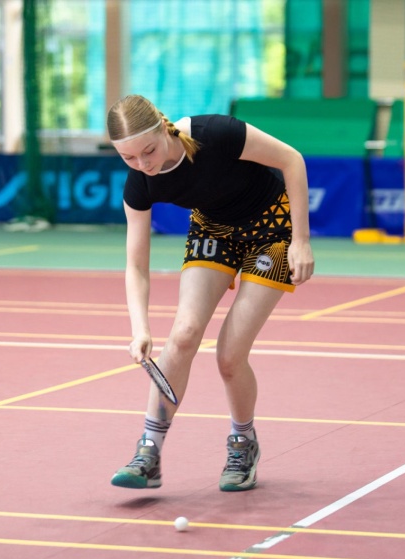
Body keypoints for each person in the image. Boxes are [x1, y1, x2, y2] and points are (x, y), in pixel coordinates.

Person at [107, 95, 314, 492]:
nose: (143, 164)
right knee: (183, 334)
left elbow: (292, 160)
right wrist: (140, 328)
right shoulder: (140, 183)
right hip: (213, 230)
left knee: (230, 355)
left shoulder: (215, 134)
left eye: (148, 151)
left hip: (271, 229)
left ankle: (243, 443)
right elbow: (136, 266)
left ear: (164, 128)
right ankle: (148, 452)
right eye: (128, 158)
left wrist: (301, 241)